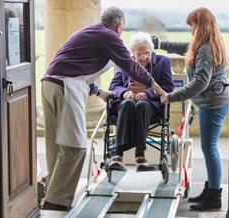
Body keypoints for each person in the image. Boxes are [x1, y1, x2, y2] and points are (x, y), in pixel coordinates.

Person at [41, 7, 166, 211]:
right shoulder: (109, 36)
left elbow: (78, 66)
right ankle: (56, 202)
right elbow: (131, 66)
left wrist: (100, 92)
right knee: (75, 147)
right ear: (118, 26)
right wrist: (157, 88)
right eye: (123, 28)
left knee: (56, 145)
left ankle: (50, 196)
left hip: (49, 84)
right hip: (65, 87)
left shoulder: (89, 32)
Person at [156, 7, 229, 211]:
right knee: (209, 148)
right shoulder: (207, 43)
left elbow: (200, 82)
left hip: (213, 104)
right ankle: (210, 190)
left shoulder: (206, 48)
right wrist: (160, 44)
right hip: (214, 101)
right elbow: (185, 48)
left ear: (202, 26)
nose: (190, 29)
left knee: (209, 149)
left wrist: (171, 97)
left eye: (193, 25)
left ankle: (214, 197)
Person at [108, 32, 174, 171]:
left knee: (142, 105)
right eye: (139, 54)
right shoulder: (126, 64)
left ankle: (140, 156)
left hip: (150, 105)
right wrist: (125, 93)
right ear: (132, 54)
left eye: (147, 53)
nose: (143, 57)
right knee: (127, 103)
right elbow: (114, 86)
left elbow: (168, 86)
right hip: (127, 104)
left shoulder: (163, 62)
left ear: (152, 50)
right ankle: (117, 156)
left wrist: (148, 93)